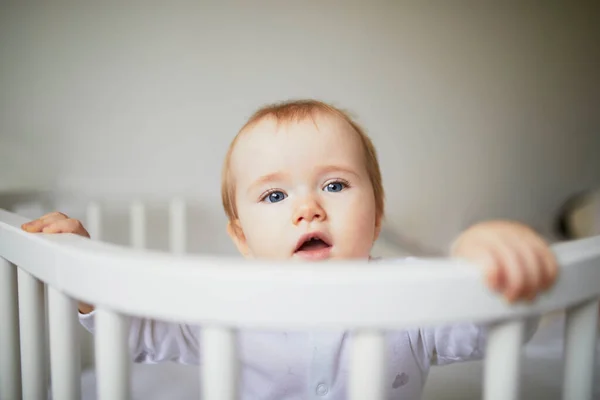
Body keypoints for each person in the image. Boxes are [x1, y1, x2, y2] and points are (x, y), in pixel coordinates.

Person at [22, 99, 557, 399]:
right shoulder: (223, 305)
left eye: (335, 184)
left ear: (377, 215)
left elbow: (486, 326)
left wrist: (482, 257)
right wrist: (83, 274)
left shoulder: (411, 293)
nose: (308, 208)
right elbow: (136, 335)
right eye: (275, 194)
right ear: (242, 239)